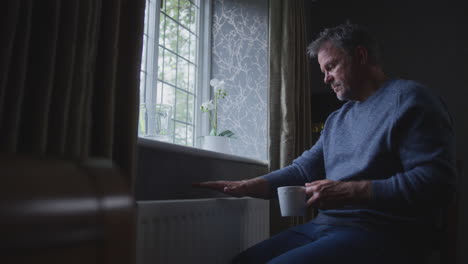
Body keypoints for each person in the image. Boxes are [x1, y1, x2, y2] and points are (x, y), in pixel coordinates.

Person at [193, 22, 456, 264]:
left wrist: (350, 191)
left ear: (361, 56)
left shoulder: (410, 100)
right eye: (323, 71)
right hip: (325, 227)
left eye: (331, 66)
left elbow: (436, 181)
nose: (326, 78)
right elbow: (302, 170)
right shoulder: (337, 120)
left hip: (385, 231)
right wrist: (247, 186)